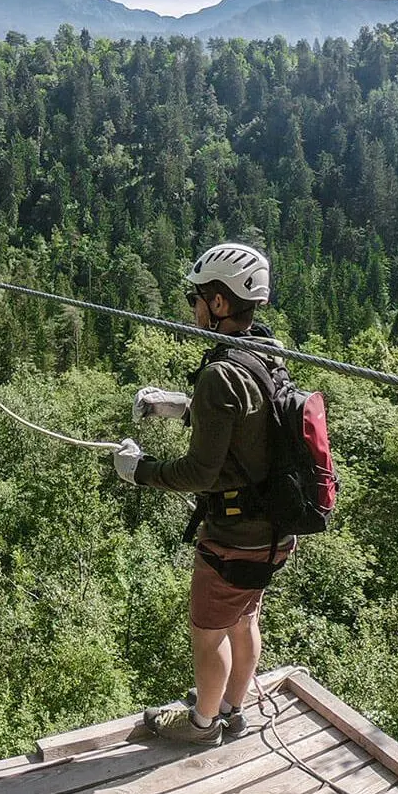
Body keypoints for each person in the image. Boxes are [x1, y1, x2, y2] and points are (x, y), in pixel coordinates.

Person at [113, 242, 293, 745]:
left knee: (209, 631)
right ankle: (232, 709)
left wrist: (139, 471)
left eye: (197, 298)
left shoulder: (219, 373)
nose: (192, 307)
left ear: (218, 302)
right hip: (275, 529)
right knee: (245, 617)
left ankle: (201, 724)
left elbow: (199, 471)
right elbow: (246, 423)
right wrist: (176, 406)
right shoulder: (267, 350)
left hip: (234, 536)